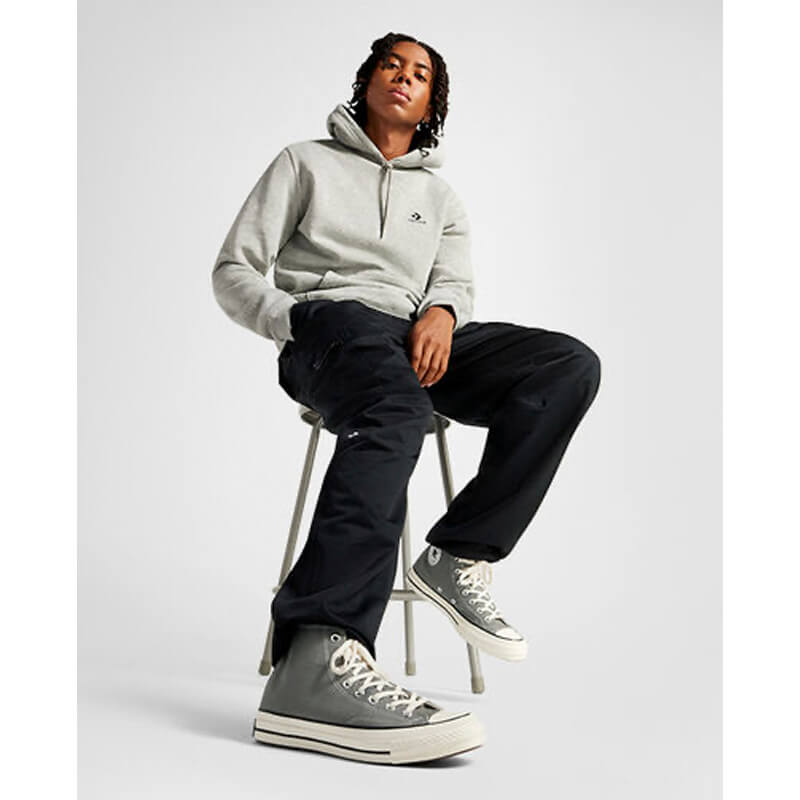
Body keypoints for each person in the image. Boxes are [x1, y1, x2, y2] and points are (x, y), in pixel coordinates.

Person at [212, 32, 601, 765]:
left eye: (420, 73)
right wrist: (294, 319)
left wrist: (443, 313)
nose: (403, 76)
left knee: (565, 366)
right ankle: (314, 660)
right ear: (367, 80)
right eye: (391, 64)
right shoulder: (303, 163)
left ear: (430, 104)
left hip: (413, 340)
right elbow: (234, 269)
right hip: (332, 331)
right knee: (397, 411)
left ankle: (458, 554)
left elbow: (452, 282)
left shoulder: (441, 197)